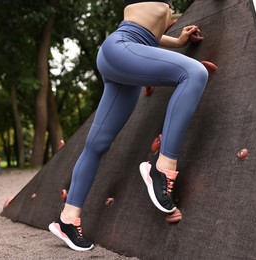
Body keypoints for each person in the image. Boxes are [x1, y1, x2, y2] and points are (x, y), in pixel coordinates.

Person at [48, 0, 208, 251]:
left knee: (97, 145)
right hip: (122, 48)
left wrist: (177, 42)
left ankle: (67, 220)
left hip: (127, 57)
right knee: (194, 73)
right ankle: (163, 168)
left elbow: (150, 33)